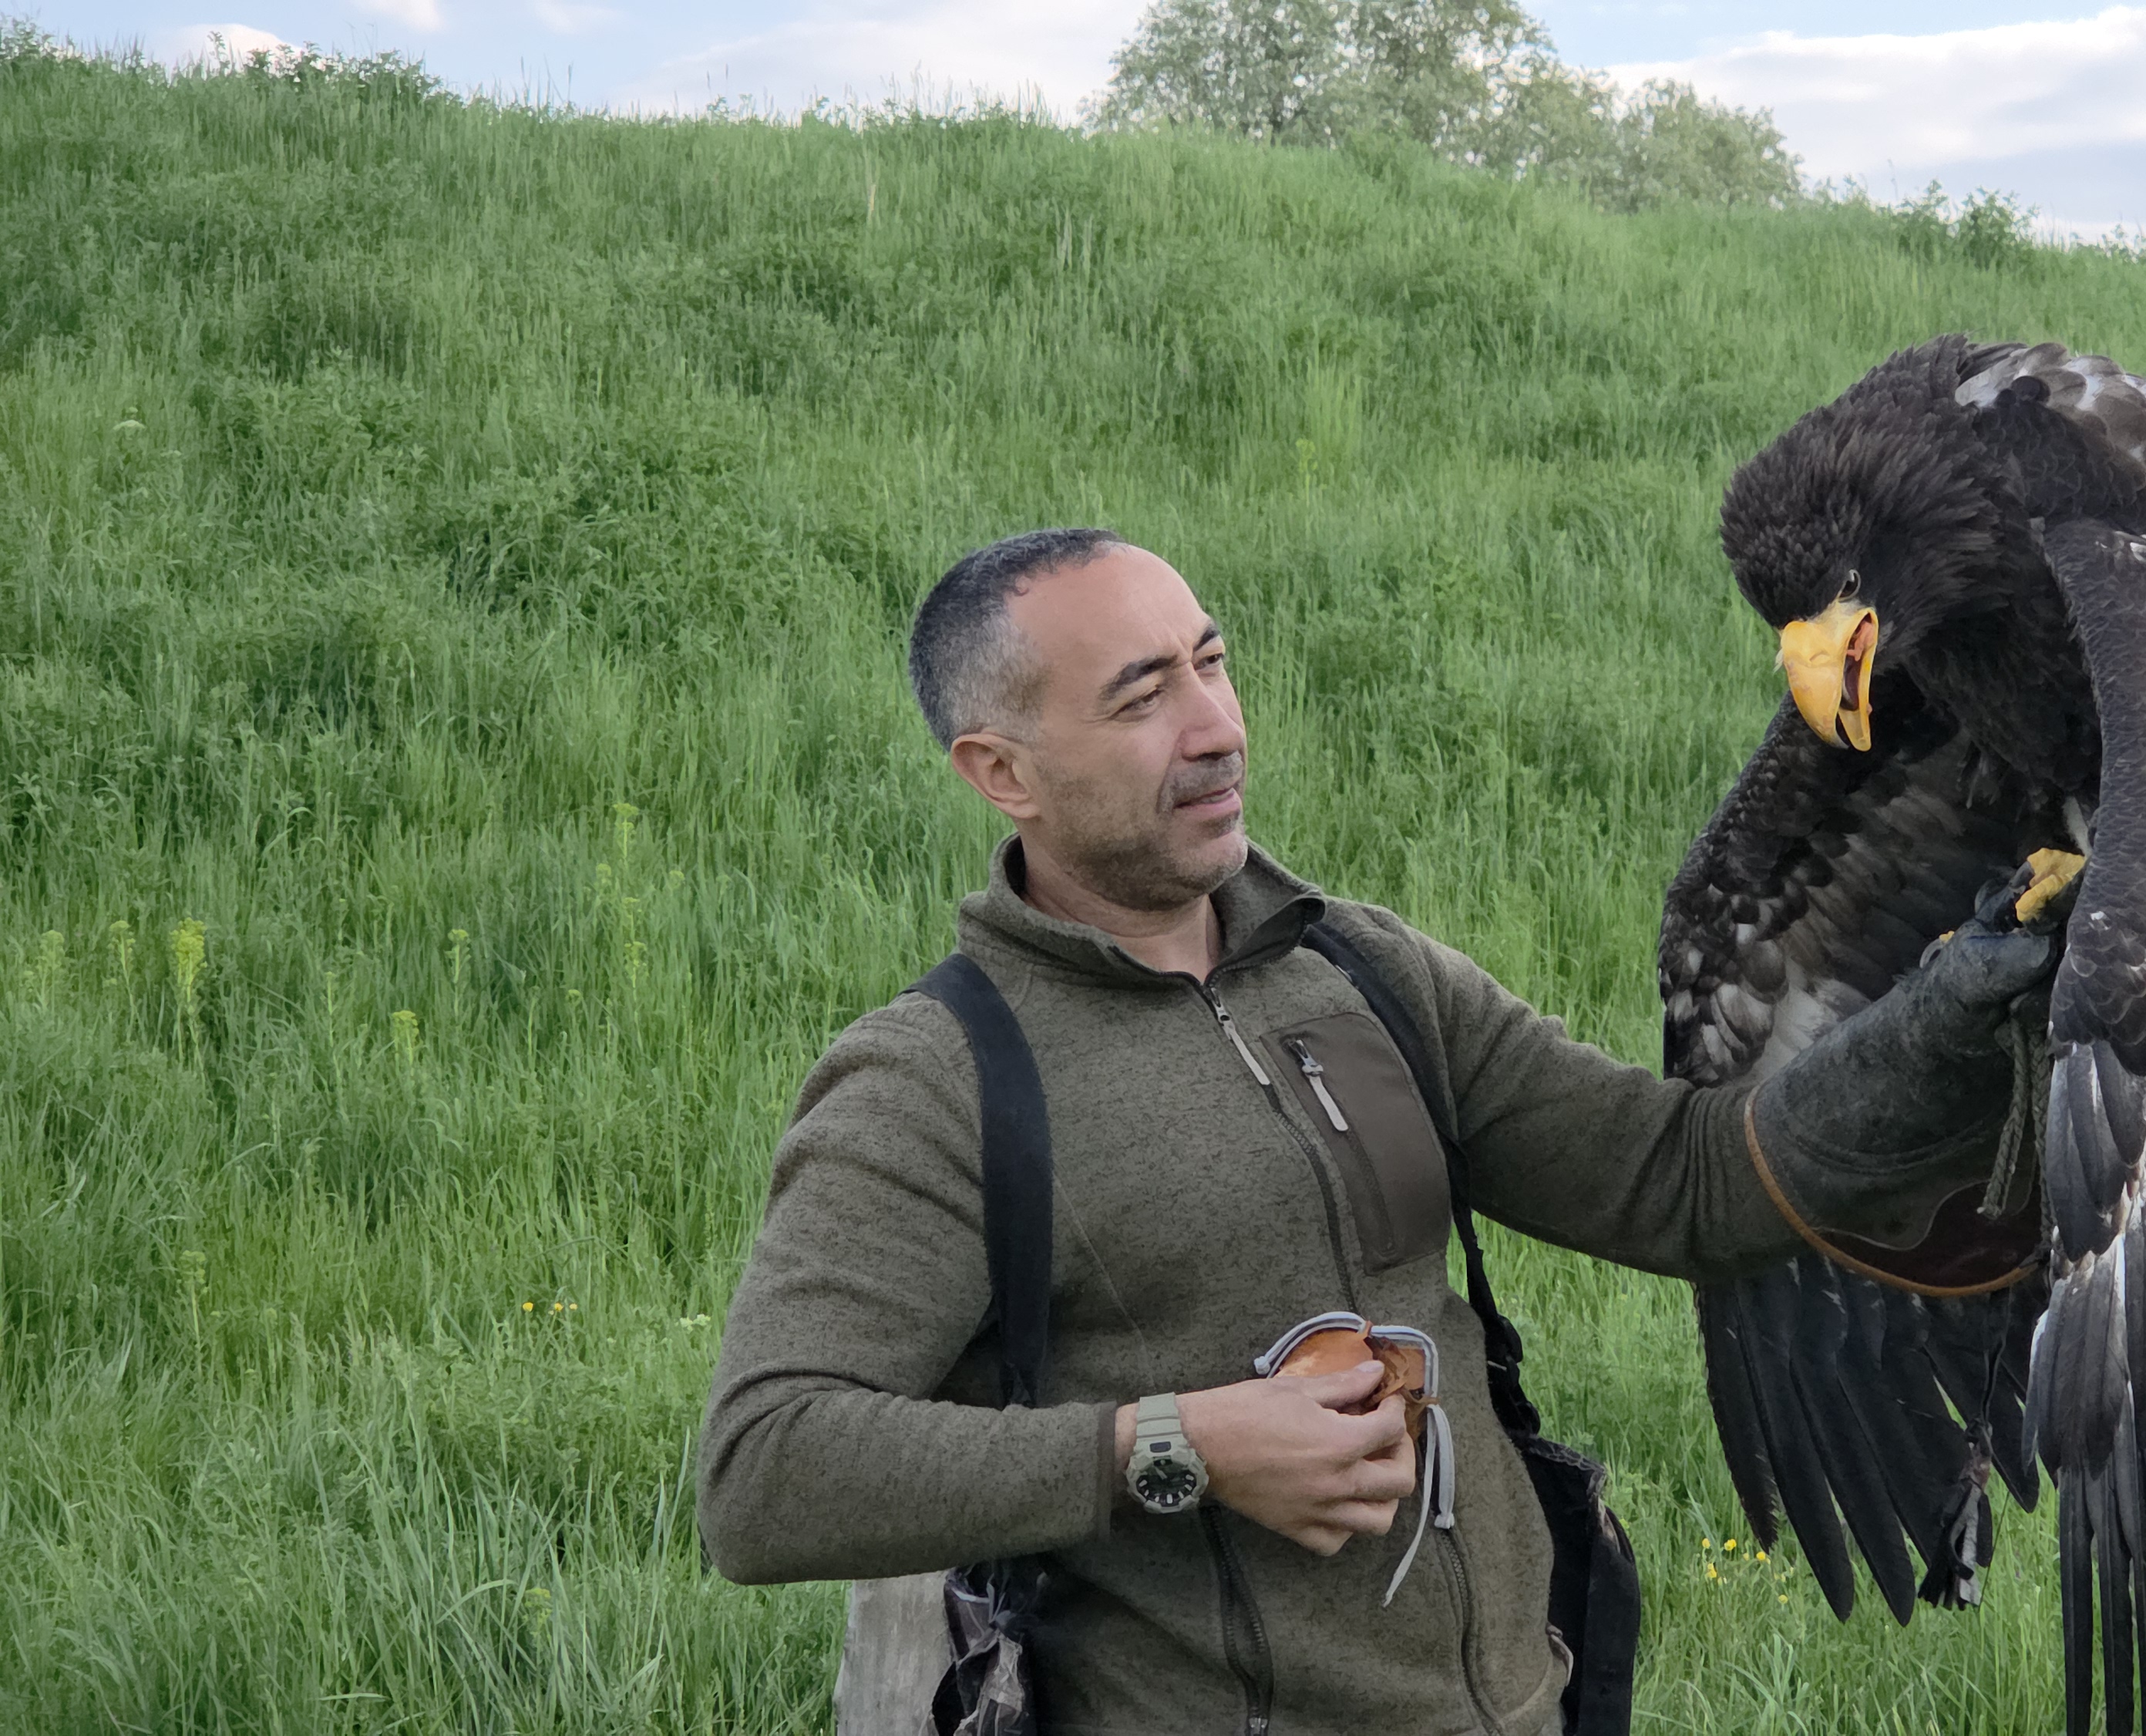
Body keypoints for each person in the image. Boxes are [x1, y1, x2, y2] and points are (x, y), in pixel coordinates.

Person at [697, 529, 2054, 1735]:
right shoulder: (936, 1080)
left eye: (1212, 663)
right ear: (1003, 771)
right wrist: (1171, 1447)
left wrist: (1951, 1017)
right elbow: (766, 1471)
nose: (1216, 724)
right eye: (1143, 696)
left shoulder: (1364, 973)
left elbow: (1684, 1183)